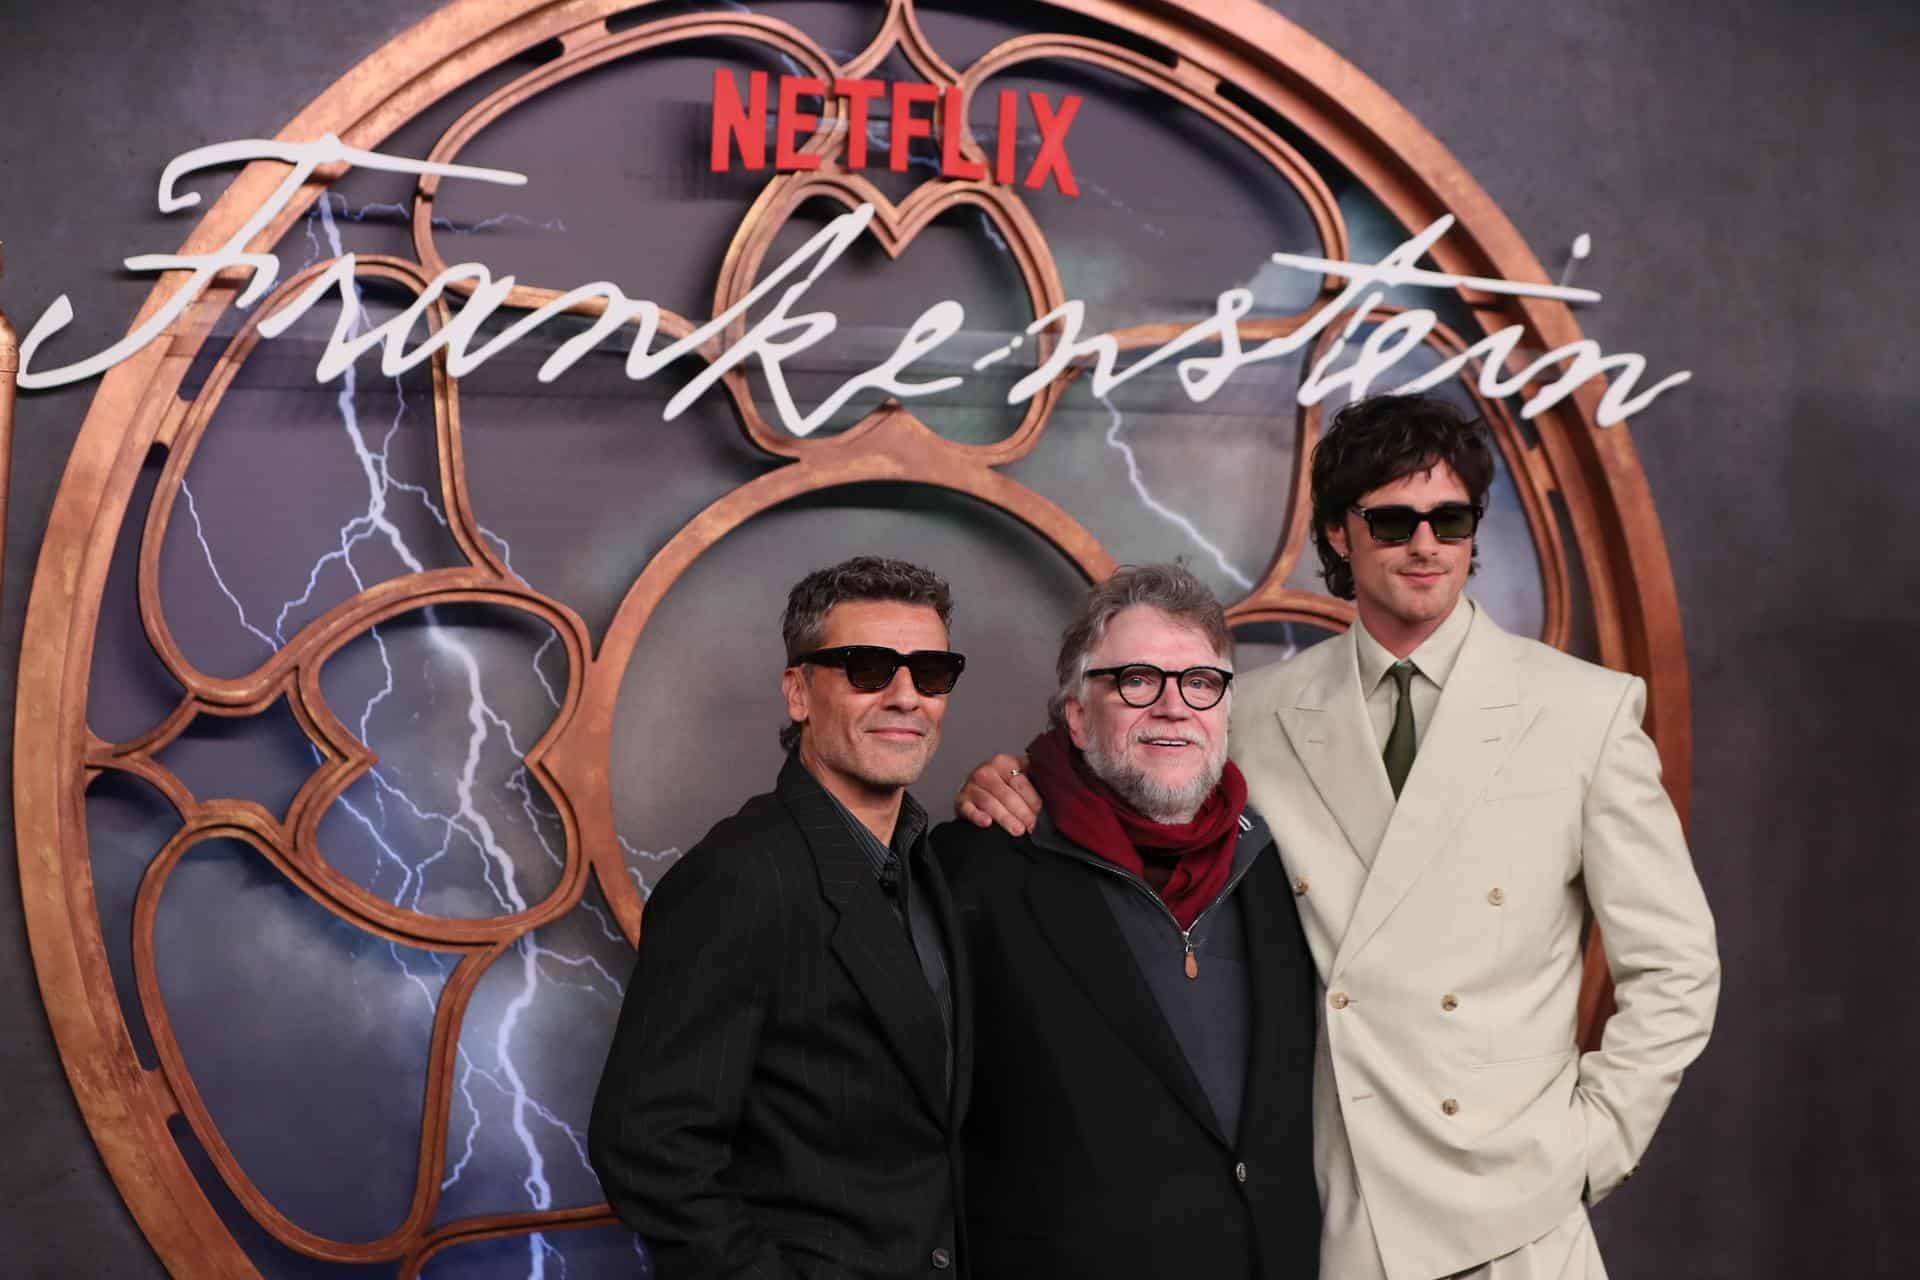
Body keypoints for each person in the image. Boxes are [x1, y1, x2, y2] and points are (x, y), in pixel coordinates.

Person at [957, 394, 1720, 1279]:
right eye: (1392, 520)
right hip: (1334, 1217)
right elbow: (1135, 777)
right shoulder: (1260, 709)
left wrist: (1589, 1147)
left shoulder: (1584, 711)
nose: (1426, 544)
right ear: (1337, 536)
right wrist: (1017, 778)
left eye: (1451, 518)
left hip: (1516, 1221)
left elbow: (1676, 967)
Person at [590, 556, 973, 1279]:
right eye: (867, 667)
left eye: (930, 672)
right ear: (798, 693)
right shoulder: (737, 877)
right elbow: (646, 1146)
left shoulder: (934, 863)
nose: (905, 696)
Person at [934, 563, 1320, 1280]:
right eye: (1138, 680)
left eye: (1200, 683)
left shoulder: (1279, 864)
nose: (1174, 707)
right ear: (1078, 715)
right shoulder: (975, 868)